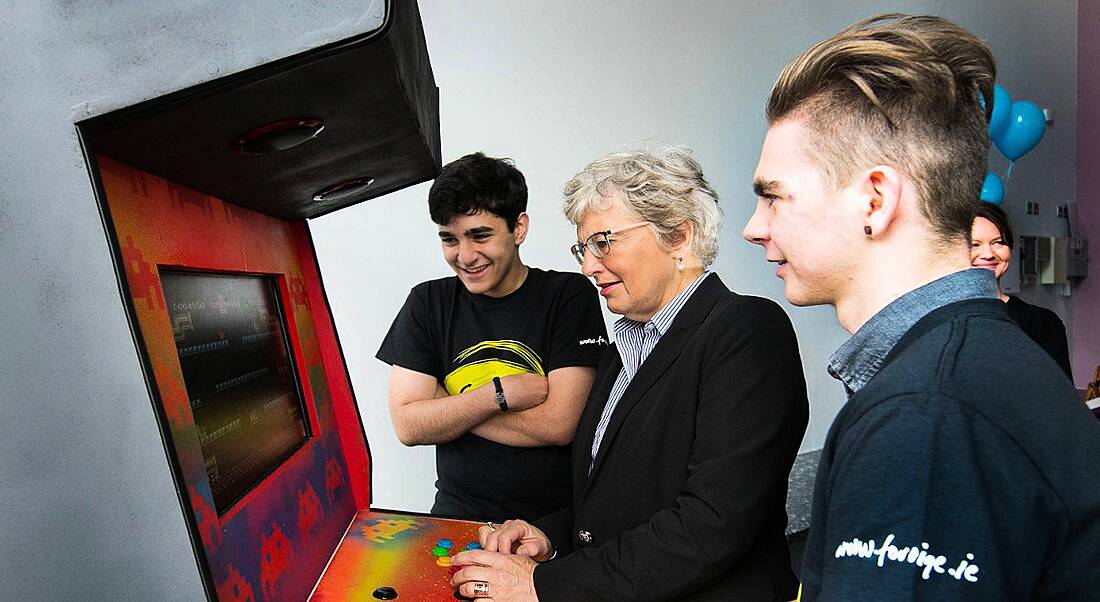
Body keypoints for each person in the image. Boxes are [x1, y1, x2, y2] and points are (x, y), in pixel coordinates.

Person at [742, 13, 1100, 601]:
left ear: (876, 200)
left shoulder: (926, 416)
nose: (754, 228)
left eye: (774, 197)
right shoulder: (971, 365)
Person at [451, 147, 809, 601]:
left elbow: (712, 525)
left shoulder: (745, 329)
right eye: (583, 248)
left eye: (603, 242)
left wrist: (541, 586)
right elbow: (616, 505)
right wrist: (549, 536)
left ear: (678, 236)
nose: (587, 266)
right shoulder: (625, 346)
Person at [376, 152, 608, 522]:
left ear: (519, 228)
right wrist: (497, 395)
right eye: (449, 239)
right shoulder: (427, 302)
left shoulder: (568, 295)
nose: (465, 256)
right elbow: (408, 426)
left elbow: (560, 425)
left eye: (479, 235)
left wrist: (449, 404)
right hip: (457, 517)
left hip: (553, 525)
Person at [970, 202, 1072, 378]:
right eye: (974, 244)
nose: (988, 253)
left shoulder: (1042, 324)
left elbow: (1058, 400)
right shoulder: (936, 319)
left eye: (998, 242)